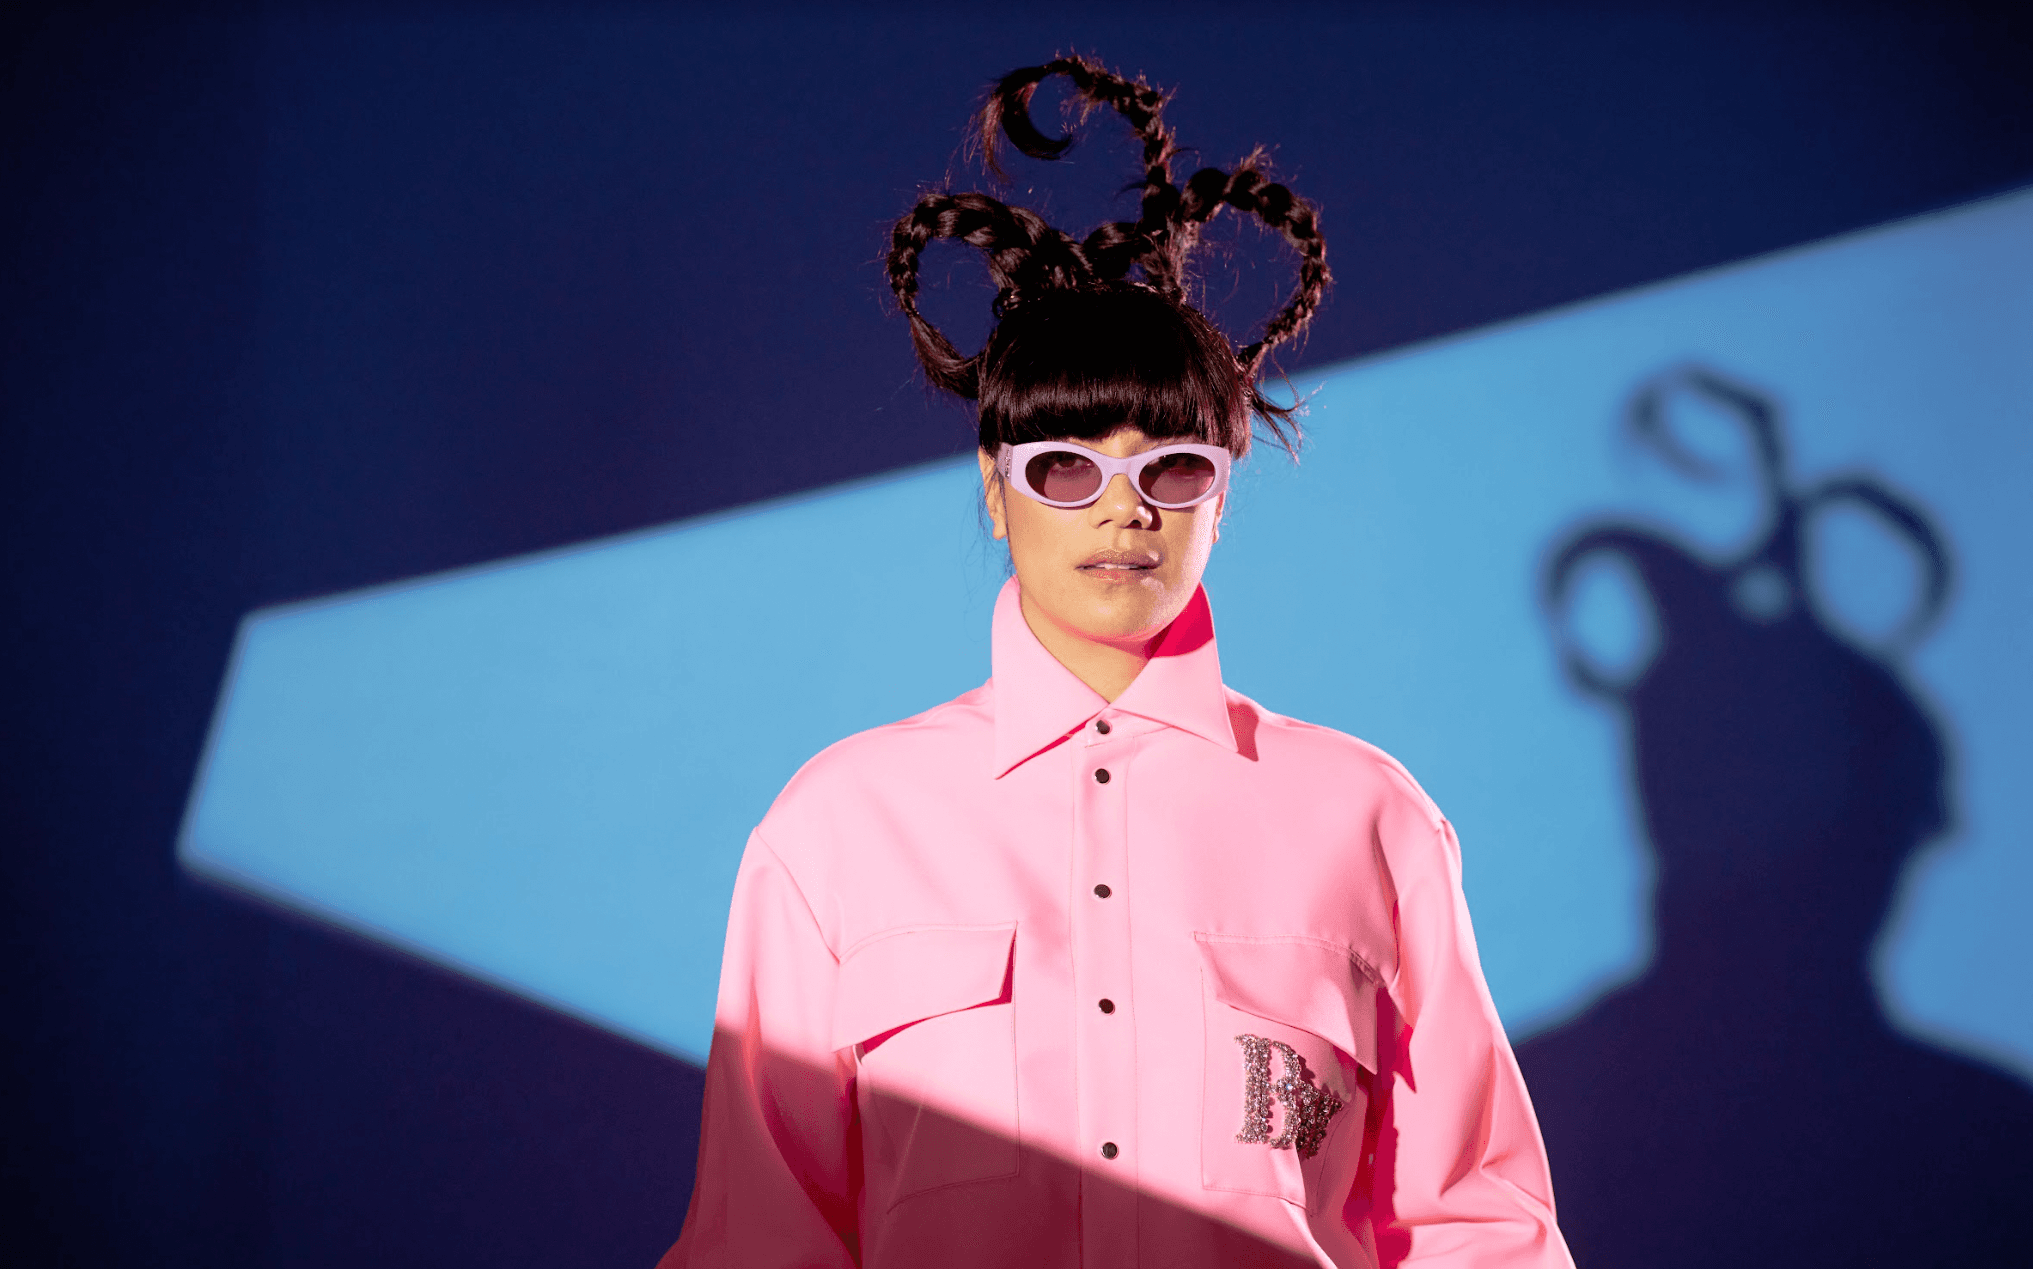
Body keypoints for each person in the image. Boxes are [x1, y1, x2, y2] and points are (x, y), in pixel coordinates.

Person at [664, 55, 1571, 1269]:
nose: (1121, 510)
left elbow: (1480, 1228)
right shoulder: (836, 827)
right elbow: (759, 1240)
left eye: (1172, 470)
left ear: (1220, 500)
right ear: (996, 492)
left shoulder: (1369, 819)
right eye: (1065, 467)